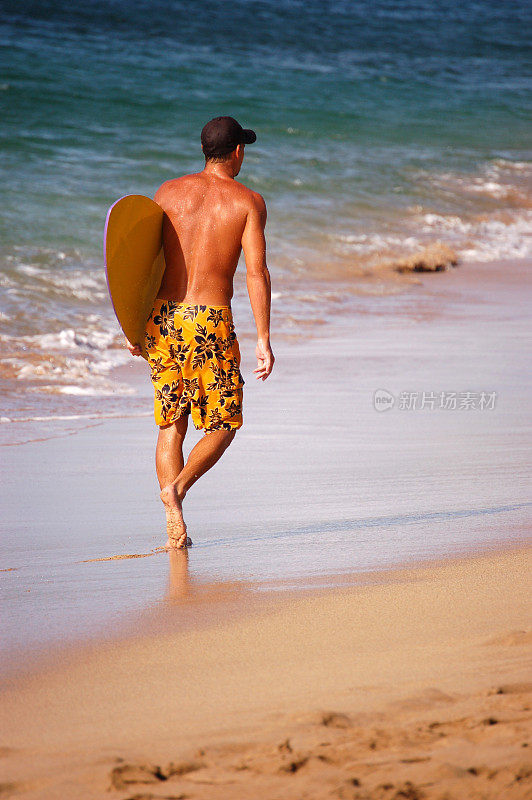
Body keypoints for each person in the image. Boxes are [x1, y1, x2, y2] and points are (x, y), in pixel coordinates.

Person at [126, 116, 274, 548]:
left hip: (164, 318)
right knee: (224, 424)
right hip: (210, 322)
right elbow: (256, 272)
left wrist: (132, 322)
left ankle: (175, 529)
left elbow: (141, 263)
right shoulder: (248, 202)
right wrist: (263, 338)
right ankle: (178, 487)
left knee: (171, 423)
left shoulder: (167, 193)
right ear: (237, 152)